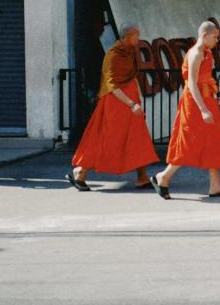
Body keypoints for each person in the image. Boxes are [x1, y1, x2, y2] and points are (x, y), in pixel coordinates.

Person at [68, 24, 158, 191]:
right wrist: (131, 103)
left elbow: (132, 77)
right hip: (115, 103)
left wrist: (136, 99)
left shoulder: (131, 51)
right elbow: (112, 86)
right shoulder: (113, 55)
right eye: (136, 35)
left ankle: (142, 176)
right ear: (127, 36)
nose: (138, 38)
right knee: (107, 138)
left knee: (138, 137)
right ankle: (81, 171)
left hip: (130, 100)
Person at [153, 21, 220, 199]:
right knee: (189, 142)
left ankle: (215, 185)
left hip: (207, 100)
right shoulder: (196, 53)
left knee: (213, 141)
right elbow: (191, 85)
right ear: (204, 35)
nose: (217, 40)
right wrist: (203, 109)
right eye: (214, 37)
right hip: (196, 104)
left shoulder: (206, 52)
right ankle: (164, 176)